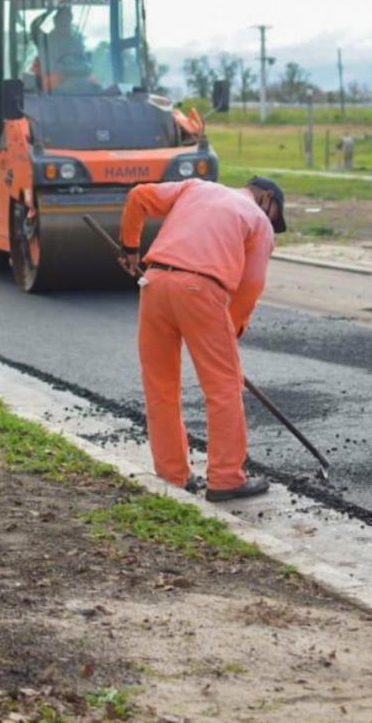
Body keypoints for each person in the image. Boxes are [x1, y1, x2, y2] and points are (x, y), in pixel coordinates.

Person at [117, 176, 286, 502]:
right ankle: (225, 479)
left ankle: (173, 474)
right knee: (223, 385)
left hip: (153, 283)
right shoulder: (258, 222)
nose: (272, 223)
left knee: (160, 384)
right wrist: (232, 329)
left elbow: (138, 196)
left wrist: (129, 247)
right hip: (200, 289)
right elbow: (250, 286)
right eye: (275, 215)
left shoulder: (196, 187)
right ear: (266, 197)